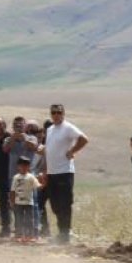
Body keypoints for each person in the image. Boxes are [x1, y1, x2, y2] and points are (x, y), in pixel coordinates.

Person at [44, 104, 88, 244]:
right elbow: (49, 151)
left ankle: (65, 233)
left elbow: (83, 139)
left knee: (65, 203)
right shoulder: (50, 129)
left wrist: (72, 151)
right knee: (55, 204)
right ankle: (61, 231)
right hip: (52, 172)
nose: (56, 115)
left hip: (64, 171)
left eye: (59, 112)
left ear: (63, 113)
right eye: (53, 112)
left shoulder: (68, 127)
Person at [9, 156, 40, 242]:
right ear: (18, 166)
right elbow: (12, 190)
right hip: (18, 202)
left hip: (29, 202)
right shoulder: (16, 177)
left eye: (26, 166)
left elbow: (37, 186)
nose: (24, 167)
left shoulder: (31, 177)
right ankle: (18, 235)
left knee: (29, 220)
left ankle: (29, 236)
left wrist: (43, 181)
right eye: (22, 165)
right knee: (18, 219)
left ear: (29, 167)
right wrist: (12, 201)